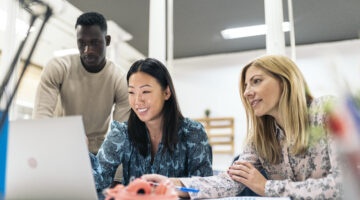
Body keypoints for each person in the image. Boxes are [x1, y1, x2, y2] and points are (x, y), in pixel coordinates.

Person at [142, 55, 343, 199]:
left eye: (256, 81)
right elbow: (229, 182)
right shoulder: (260, 139)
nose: (247, 92)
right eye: (246, 86)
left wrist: (267, 187)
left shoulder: (327, 111)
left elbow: (343, 186)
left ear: (285, 81)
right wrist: (176, 185)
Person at [90, 58, 213, 191]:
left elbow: (203, 189)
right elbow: (99, 180)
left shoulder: (193, 133)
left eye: (146, 91)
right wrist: (80, 154)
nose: (137, 101)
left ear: (166, 93)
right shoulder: (121, 133)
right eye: (131, 92)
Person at [32, 12, 130, 154]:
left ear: (107, 41)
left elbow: (119, 136)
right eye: (81, 43)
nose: (87, 50)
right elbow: (40, 121)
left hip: (96, 154)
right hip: (59, 147)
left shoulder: (120, 79)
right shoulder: (58, 67)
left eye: (94, 43)